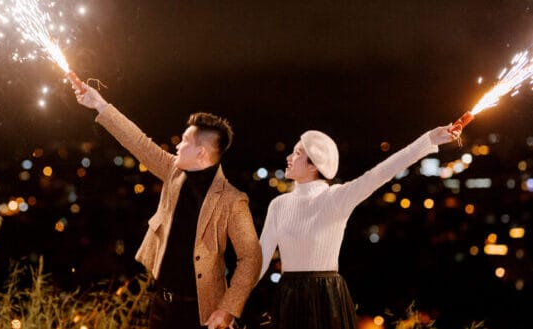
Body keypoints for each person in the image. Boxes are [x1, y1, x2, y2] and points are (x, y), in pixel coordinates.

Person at [72, 83, 262, 329]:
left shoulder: (232, 200)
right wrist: (99, 104)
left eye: (184, 141)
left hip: (201, 313)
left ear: (201, 153)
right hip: (161, 303)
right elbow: (139, 142)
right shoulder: (173, 171)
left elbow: (251, 258)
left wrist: (227, 309)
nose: (177, 146)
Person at [258, 125, 462, 328]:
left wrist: (429, 140)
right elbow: (258, 261)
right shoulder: (278, 205)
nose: (289, 158)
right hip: (288, 297)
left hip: (326, 297)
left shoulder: (335, 198)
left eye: (297, 153)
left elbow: (381, 173)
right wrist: (229, 307)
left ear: (313, 166)